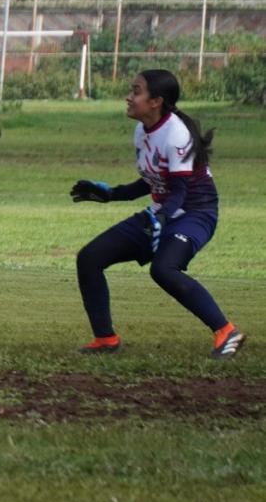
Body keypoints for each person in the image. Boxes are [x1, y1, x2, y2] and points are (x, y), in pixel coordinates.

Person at [69, 69, 244, 359]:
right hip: (165, 210)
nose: (129, 97)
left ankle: (227, 331)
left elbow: (180, 191)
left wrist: (160, 220)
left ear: (155, 101)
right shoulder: (142, 131)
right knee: (90, 258)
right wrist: (112, 194)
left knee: (163, 268)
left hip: (196, 213)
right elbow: (152, 181)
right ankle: (105, 339)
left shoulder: (176, 133)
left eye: (136, 91)